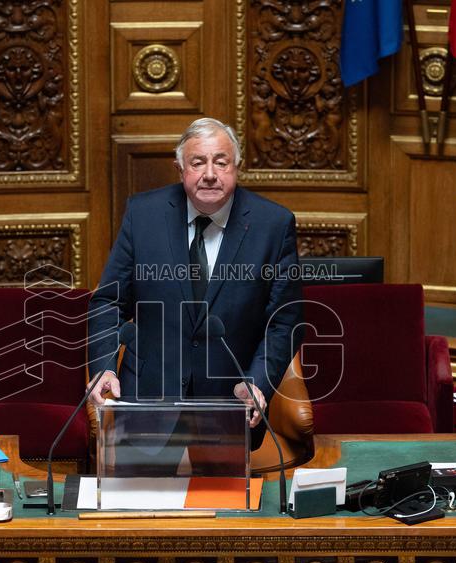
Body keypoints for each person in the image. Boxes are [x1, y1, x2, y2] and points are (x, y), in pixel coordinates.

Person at [87, 117, 302, 470]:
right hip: (147, 398)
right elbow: (108, 301)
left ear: (237, 166)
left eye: (221, 162)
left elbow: (284, 321)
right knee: (136, 503)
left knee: (222, 506)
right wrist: (103, 369)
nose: (210, 174)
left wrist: (257, 383)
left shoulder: (273, 225)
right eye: (198, 162)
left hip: (229, 404)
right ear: (180, 169)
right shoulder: (143, 214)